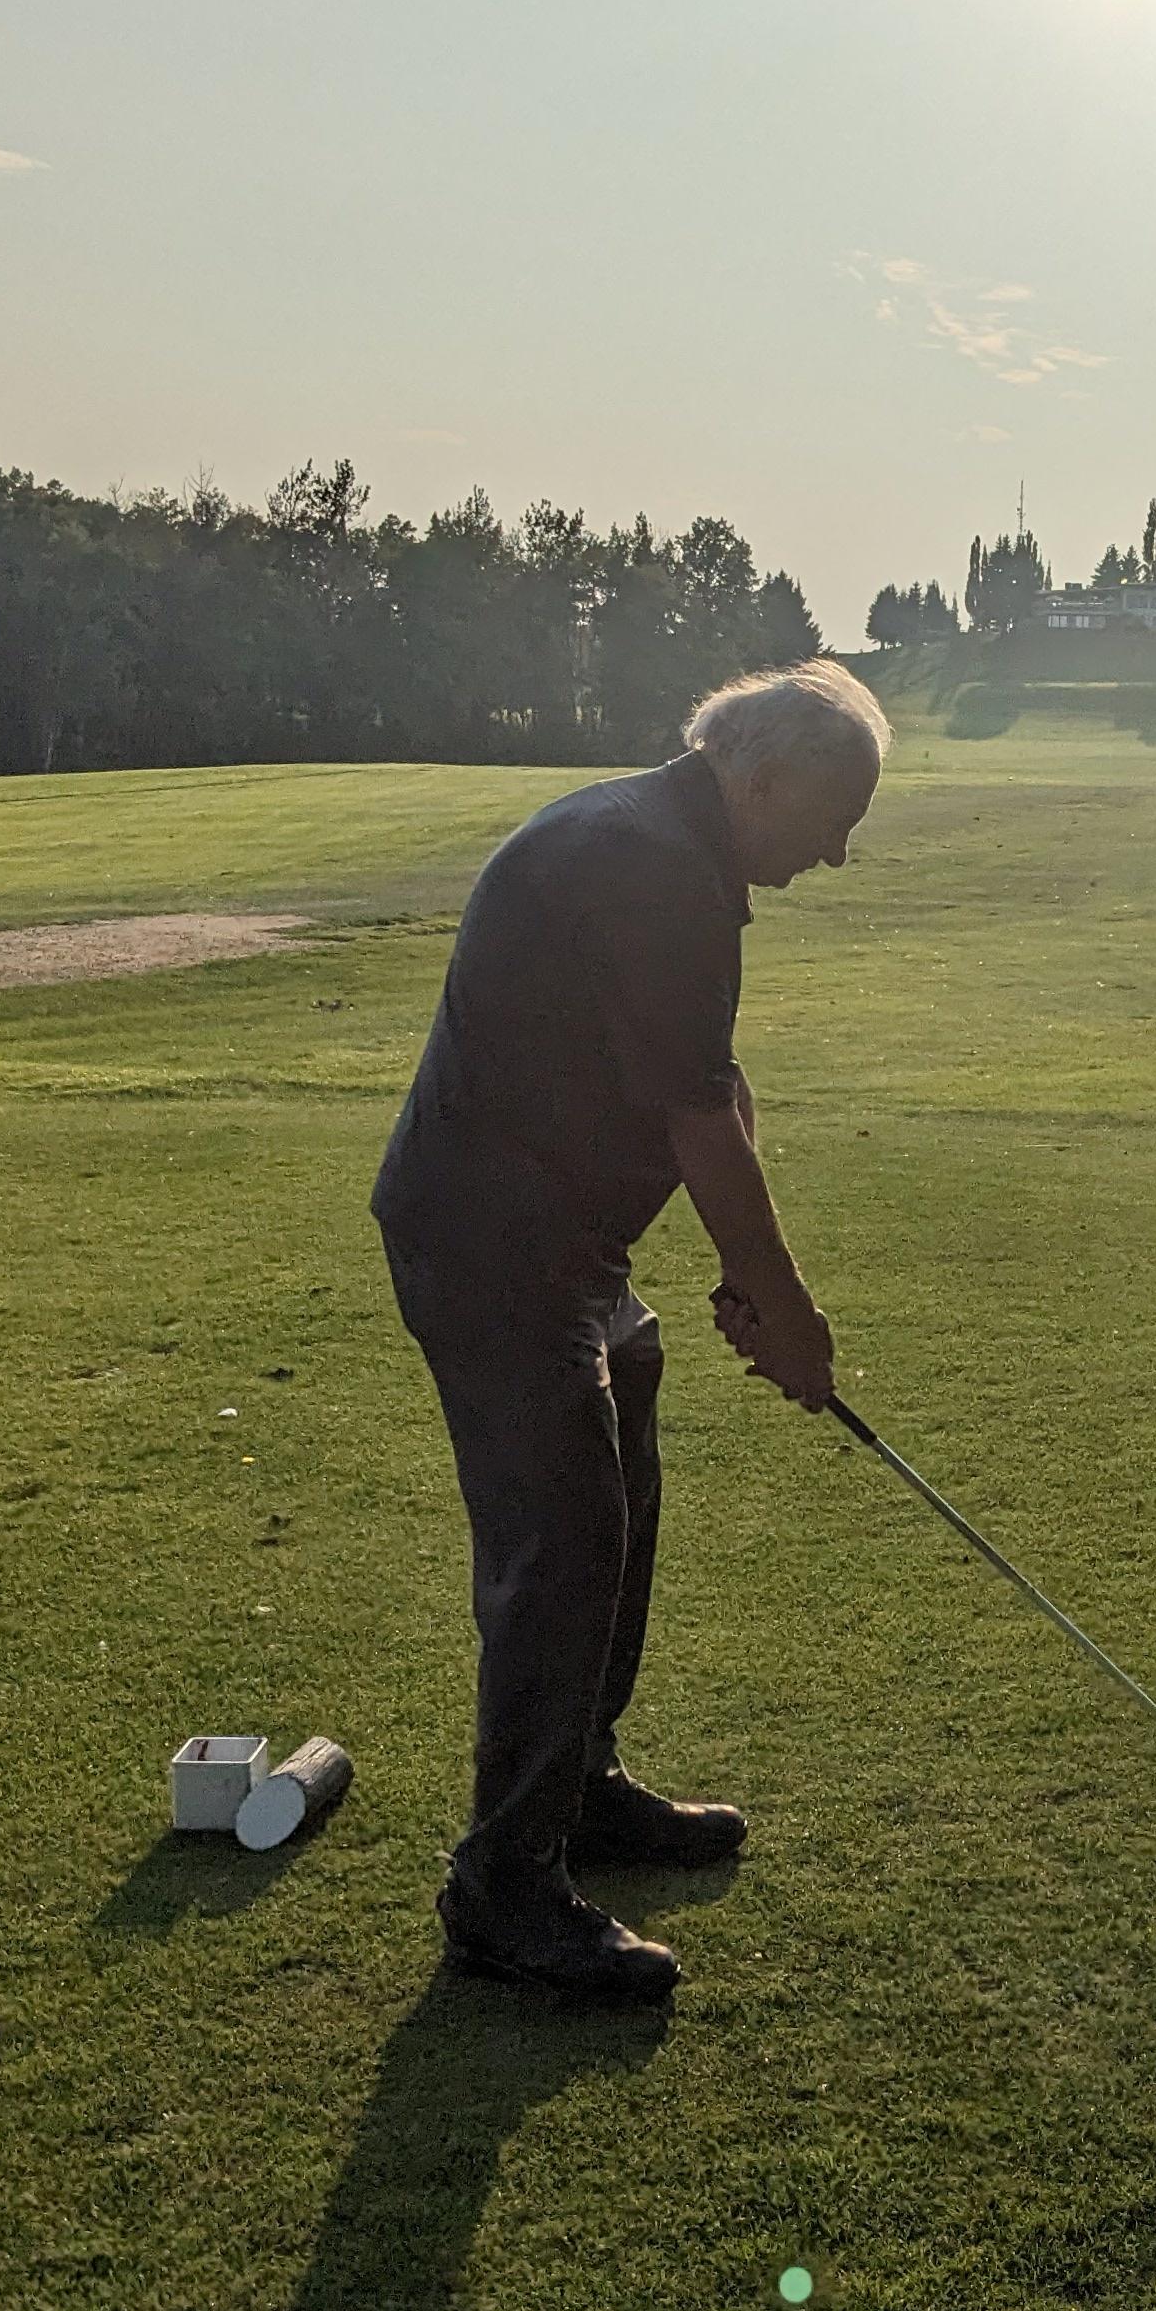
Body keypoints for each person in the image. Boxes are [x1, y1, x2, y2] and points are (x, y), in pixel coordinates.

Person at [372, 659, 889, 2001]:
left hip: (567, 1252)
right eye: (834, 820)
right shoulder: (649, 864)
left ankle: (579, 1791)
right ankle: (502, 1892)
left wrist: (752, 1282)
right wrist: (790, 1314)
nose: (838, 855)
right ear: (761, 778)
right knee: (564, 1542)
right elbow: (698, 1123)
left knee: (620, 1476)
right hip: (492, 1250)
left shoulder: (675, 847)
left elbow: (714, 1079)